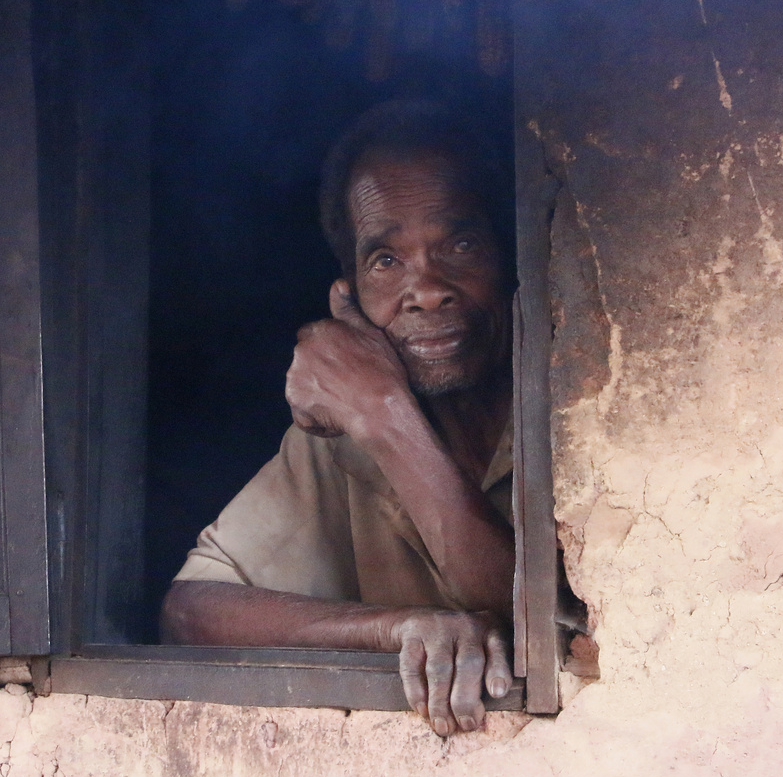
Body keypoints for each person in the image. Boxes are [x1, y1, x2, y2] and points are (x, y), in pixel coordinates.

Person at [160, 100, 517, 736]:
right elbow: (191, 612)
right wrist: (396, 628)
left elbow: (517, 607)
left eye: (460, 244)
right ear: (348, 295)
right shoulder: (339, 437)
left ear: (513, 259)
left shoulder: (578, 402)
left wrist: (387, 415)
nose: (427, 288)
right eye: (387, 260)